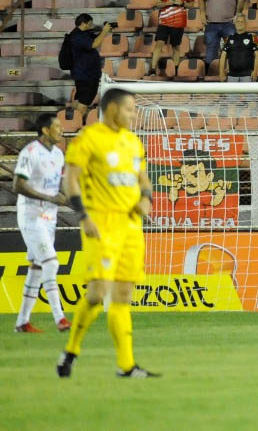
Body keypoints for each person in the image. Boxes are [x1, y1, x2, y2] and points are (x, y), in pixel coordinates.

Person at [58, 87, 161, 379]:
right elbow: (72, 181)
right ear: (113, 109)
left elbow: (143, 181)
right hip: (100, 224)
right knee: (96, 294)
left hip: (131, 226)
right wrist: (83, 216)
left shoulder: (132, 142)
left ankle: (126, 365)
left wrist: (146, 200)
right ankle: (71, 350)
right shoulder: (89, 139)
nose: (133, 114)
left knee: (123, 295)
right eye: (130, 109)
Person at [12, 112, 69, 334]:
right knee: (51, 263)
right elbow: (17, 185)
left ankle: (22, 322)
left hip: (50, 217)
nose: (61, 130)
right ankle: (60, 318)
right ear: (45, 130)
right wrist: (48, 198)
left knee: (37, 267)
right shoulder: (30, 152)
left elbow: (58, 189)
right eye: (57, 126)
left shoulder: (58, 154)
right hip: (31, 214)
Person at [201, 0, 245, 71]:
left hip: (229, 23)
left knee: (232, 51)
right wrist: (201, 13)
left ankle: (232, 75)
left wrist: (238, 14)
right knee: (210, 52)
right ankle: (209, 77)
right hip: (211, 24)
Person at [152, 0, 195, 76]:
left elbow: (192, 4)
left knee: (175, 46)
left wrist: (183, 3)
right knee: (158, 44)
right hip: (164, 21)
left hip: (178, 22)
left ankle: (176, 70)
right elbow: (157, 3)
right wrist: (167, 2)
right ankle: (152, 69)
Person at [65, 13, 108, 116]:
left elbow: (93, 40)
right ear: (84, 23)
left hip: (82, 73)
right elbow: (94, 44)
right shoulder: (78, 35)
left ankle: (73, 121)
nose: (91, 25)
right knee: (84, 101)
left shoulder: (79, 34)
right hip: (87, 75)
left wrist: (103, 31)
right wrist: (105, 31)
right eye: (90, 23)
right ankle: (76, 124)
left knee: (79, 99)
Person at [218, 13, 258, 82]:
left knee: (249, 93)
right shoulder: (228, 38)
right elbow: (223, 56)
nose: (240, 23)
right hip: (231, 75)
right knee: (231, 93)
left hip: (248, 75)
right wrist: (221, 72)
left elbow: (257, 56)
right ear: (234, 24)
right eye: (238, 21)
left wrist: (255, 71)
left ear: (246, 23)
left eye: (242, 21)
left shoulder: (253, 37)